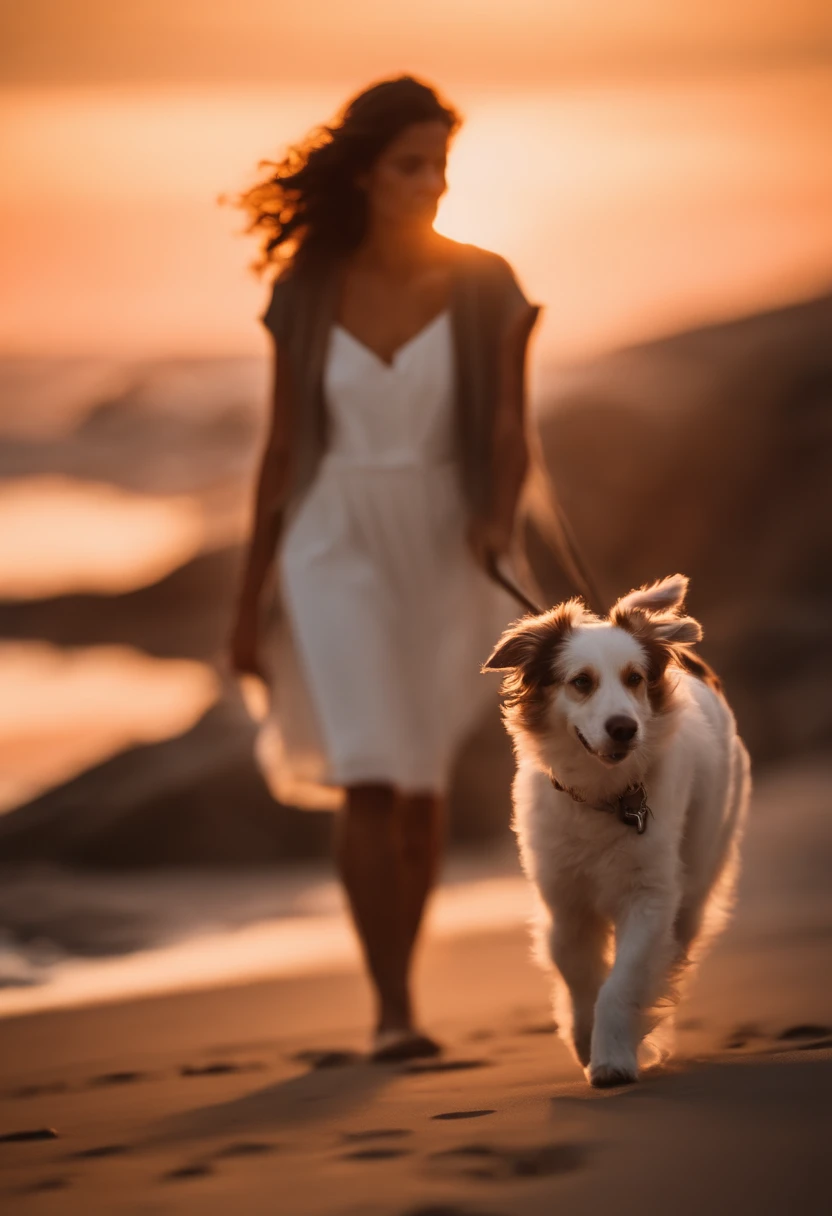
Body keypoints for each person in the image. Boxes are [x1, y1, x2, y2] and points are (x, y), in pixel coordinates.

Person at [230, 76, 544, 1060]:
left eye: (442, 166)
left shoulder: (487, 281)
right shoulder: (306, 288)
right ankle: (393, 1010)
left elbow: (508, 429)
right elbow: (281, 450)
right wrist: (248, 602)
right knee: (368, 769)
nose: (432, 184)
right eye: (412, 165)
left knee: (419, 781)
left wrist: (493, 520)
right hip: (334, 535)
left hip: (445, 538)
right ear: (366, 172)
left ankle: (403, 992)